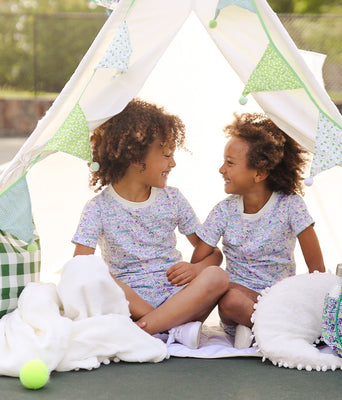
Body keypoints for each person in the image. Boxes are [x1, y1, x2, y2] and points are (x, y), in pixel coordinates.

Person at [72, 99, 228, 349]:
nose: (173, 163)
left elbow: (213, 253)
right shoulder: (98, 208)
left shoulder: (173, 199)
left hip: (179, 298)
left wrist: (197, 270)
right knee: (92, 272)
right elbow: (80, 266)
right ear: (134, 157)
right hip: (129, 302)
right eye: (166, 155)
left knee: (217, 277)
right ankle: (170, 328)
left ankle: (143, 330)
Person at [191, 113, 325, 349]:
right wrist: (213, 267)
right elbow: (200, 263)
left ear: (260, 173)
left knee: (232, 292)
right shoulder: (223, 211)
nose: (221, 169)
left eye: (230, 163)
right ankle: (271, 329)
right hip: (237, 305)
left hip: (280, 299)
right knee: (229, 298)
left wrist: (314, 303)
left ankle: (258, 329)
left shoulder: (290, 205)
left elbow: (317, 270)